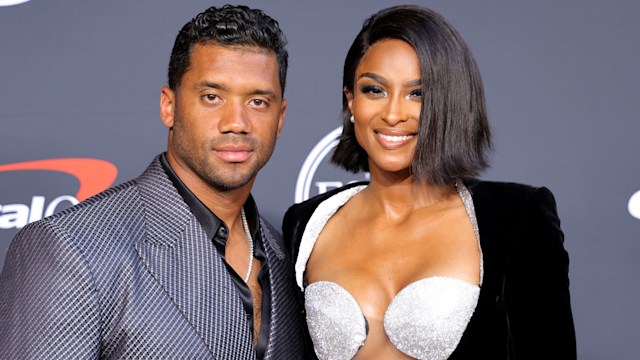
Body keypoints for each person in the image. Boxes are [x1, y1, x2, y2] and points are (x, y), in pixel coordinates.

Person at [0, 5, 304, 359]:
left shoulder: (290, 259)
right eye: (212, 97)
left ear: (280, 118)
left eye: (257, 101)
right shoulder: (70, 248)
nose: (236, 122)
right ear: (168, 106)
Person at [284, 5, 576, 360]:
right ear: (351, 101)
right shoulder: (307, 223)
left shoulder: (516, 217)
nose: (393, 114)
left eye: (417, 93)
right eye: (374, 90)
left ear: (449, 104)